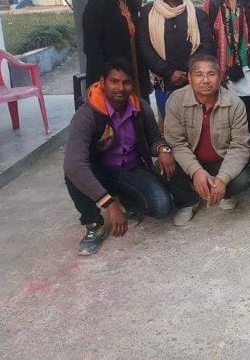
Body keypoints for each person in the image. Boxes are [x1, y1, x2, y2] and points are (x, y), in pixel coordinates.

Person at [63, 58, 176, 256]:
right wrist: (108, 204)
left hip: (131, 169)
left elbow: (154, 138)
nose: (120, 88)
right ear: (102, 82)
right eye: (114, 81)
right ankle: (94, 224)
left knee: (162, 206)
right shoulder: (87, 114)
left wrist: (163, 150)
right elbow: (74, 164)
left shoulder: (140, 107)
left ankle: (125, 200)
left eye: (126, 82)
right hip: (99, 171)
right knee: (73, 174)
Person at [163, 54, 250, 226]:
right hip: (189, 160)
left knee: (243, 179)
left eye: (211, 74)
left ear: (220, 77)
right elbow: (176, 142)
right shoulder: (176, 100)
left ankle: (222, 192)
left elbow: (240, 146)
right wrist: (196, 171)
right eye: (199, 74)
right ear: (190, 78)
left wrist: (223, 178)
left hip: (220, 161)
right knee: (164, 166)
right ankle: (188, 201)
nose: (205, 80)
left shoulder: (235, 104)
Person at [137, 0, 215, 120]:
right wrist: (169, 72)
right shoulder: (148, 12)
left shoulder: (196, 13)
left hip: (193, 79)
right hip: (164, 81)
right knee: (170, 124)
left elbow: (207, 43)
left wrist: (189, 70)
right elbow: (144, 45)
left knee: (197, 122)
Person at [83, 0, 151, 99]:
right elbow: (92, 47)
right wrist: (104, 80)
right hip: (110, 77)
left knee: (138, 109)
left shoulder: (131, 4)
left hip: (134, 71)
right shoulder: (97, 5)